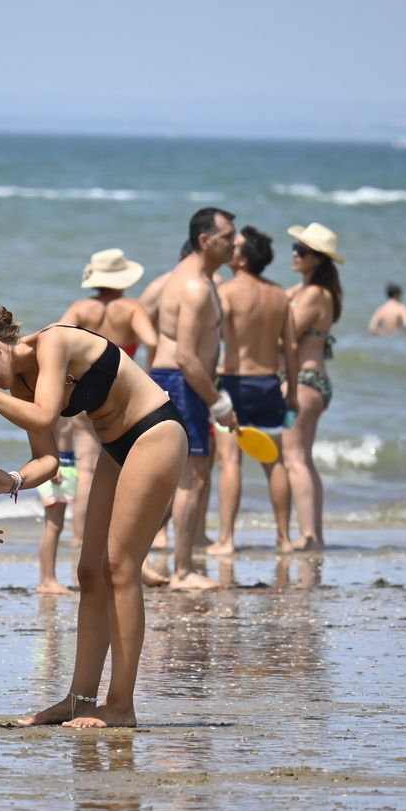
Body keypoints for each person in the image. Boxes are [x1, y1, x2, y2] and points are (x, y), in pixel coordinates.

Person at [0, 304, 188, 727]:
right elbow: (47, 460)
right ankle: (79, 699)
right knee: (89, 571)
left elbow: (47, 415)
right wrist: (12, 479)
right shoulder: (18, 388)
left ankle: (121, 705)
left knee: (121, 568)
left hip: (155, 432)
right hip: (116, 447)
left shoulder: (54, 341)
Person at [149, 207, 240, 589]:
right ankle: (182, 570)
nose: (234, 243)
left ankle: (134, 557)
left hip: (179, 381)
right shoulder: (194, 286)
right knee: (192, 479)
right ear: (205, 240)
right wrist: (219, 403)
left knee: (179, 480)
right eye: (227, 238)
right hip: (182, 382)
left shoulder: (196, 278)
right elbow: (186, 355)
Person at [58, 249, 159, 555]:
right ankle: (111, 533)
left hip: (83, 389)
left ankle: (79, 536)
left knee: (87, 469)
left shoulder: (80, 308)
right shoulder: (130, 308)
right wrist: (151, 374)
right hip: (120, 391)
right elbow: (152, 341)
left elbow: (57, 336)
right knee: (116, 466)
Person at [210, 225, 297, 555]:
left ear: (244, 260)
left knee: (230, 462)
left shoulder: (228, 292)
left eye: (236, 247)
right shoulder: (280, 294)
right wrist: (291, 391)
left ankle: (226, 540)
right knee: (275, 462)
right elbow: (289, 348)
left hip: (235, 382)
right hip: (269, 384)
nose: (230, 250)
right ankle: (285, 539)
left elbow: (215, 335)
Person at [283, 222, 344, 551]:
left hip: (304, 381)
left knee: (295, 459)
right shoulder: (313, 291)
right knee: (303, 458)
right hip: (315, 381)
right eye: (295, 247)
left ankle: (308, 535)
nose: (295, 253)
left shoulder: (313, 294)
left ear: (317, 259)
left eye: (302, 251)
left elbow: (286, 334)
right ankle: (314, 534)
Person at [35, 418, 77, 595]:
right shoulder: (51, 404)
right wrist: (52, 465)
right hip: (56, 464)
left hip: (67, 463)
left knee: (56, 525)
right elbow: (41, 430)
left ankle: (48, 578)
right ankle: (46, 580)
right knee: (52, 525)